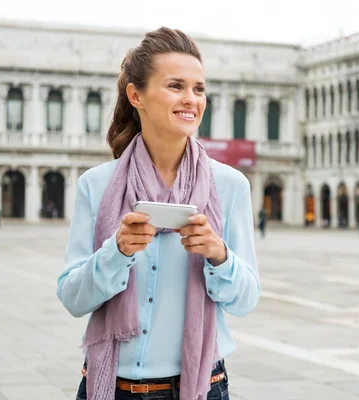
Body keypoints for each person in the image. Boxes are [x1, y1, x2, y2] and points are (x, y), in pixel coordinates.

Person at [56, 27, 260, 400]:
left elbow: (246, 299)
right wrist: (116, 253)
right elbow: (72, 298)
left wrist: (219, 255)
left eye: (199, 89)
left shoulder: (230, 185)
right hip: (109, 386)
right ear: (137, 95)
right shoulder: (97, 185)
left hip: (200, 387)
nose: (191, 100)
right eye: (175, 86)